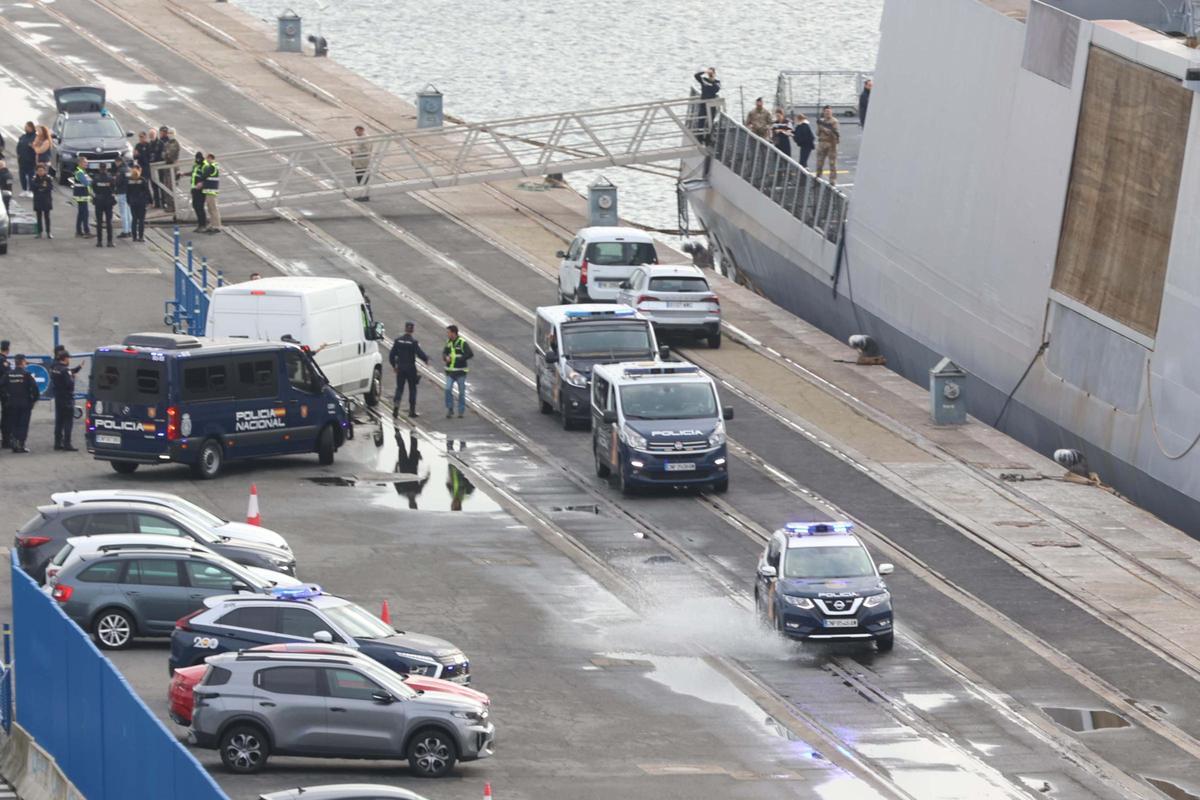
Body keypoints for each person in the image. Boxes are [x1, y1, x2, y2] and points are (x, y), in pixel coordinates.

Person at [389, 321, 429, 418]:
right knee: (412, 389)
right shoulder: (413, 342)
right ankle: (412, 411)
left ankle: (396, 408)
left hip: (400, 367)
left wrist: (394, 366)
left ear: (405, 328)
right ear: (412, 330)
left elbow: (391, 355)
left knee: (399, 388)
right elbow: (419, 353)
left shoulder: (398, 341)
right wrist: (426, 359)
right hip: (411, 368)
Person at [3, 355, 38, 454]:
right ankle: (20, 445)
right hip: (25, 403)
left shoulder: (8, 374)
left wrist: (6, 398)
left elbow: (1, 386)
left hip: (12, 403)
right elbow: (35, 390)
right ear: (22, 362)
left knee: (13, 424)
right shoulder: (27, 375)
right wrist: (33, 401)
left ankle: (14, 444)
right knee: (23, 424)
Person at [51, 350, 81, 451]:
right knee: (68, 422)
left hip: (58, 398)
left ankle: (57, 443)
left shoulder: (55, 368)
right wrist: (73, 378)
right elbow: (70, 384)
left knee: (59, 421)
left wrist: (78, 368)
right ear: (65, 358)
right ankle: (67, 443)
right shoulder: (65, 370)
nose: (69, 360)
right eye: (68, 358)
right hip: (67, 399)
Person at [442, 325, 473, 418]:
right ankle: (450, 408)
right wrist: (445, 357)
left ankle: (461, 411)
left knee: (461, 392)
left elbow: (470, 354)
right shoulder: (448, 342)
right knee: (447, 389)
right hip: (450, 372)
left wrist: (458, 360)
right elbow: (444, 352)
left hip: (460, 372)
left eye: (448, 332)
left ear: (453, 333)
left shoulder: (462, 342)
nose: (447, 334)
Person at [92, 163, 116, 247]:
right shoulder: (110, 178)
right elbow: (113, 188)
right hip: (108, 201)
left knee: (99, 222)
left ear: (99, 169)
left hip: (99, 201)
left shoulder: (96, 178)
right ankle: (109, 241)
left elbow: (94, 188)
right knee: (109, 222)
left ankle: (99, 242)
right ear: (106, 169)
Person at [815, 105, 841, 185]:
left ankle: (832, 180)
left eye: (829, 112)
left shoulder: (834, 121)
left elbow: (832, 133)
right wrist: (819, 127)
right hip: (822, 143)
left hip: (831, 144)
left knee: (832, 163)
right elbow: (817, 133)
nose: (828, 113)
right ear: (823, 112)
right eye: (826, 112)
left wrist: (823, 128)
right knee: (819, 162)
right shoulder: (821, 121)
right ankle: (818, 177)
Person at [126, 165, 151, 242]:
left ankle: (134, 237)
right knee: (141, 220)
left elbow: (127, 192)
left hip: (133, 202)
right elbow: (147, 191)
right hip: (141, 202)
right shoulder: (142, 180)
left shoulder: (129, 180)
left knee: (134, 219)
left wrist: (128, 201)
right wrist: (150, 201)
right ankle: (141, 237)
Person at [159, 126, 180, 212]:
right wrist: (166, 155)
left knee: (172, 188)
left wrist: (166, 155)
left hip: (173, 169)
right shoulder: (167, 144)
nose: (170, 135)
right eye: (169, 133)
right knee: (166, 188)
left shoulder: (176, 144)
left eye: (171, 133)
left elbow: (171, 156)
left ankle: (174, 206)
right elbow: (163, 154)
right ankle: (169, 205)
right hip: (167, 169)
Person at [31, 164, 53, 239]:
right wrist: (42, 186)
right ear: (36, 171)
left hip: (46, 200)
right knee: (38, 217)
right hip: (38, 200)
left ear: (45, 171)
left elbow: (49, 187)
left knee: (47, 217)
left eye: (42, 171)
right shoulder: (34, 178)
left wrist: (39, 187)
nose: (40, 172)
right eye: (39, 171)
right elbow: (32, 187)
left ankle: (48, 232)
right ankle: (39, 232)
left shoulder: (48, 178)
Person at [72, 156, 91, 237]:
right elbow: (86, 183)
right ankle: (86, 231)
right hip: (81, 195)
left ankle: (79, 231)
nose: (86, 164)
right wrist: (91, 182)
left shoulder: (82, 171)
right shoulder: (79, 172)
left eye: (87, 162)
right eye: (85, 162)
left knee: (81, 213)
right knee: (85, 213)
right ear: (80, 163)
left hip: (82, 194)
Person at [350, 125, 371, 201]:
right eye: (356, 132)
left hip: (362, 162)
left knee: (363, 178)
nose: (357, 134)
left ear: (362, 130)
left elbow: (366, 151)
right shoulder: (359, 138)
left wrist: (354, 151)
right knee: (359, 178)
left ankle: (364, 195)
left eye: (358, 132)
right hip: (358, 162)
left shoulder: (366, 139)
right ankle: (362, 194)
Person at [202, 153, 221, 233]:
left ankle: (216, 226)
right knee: (210, 208)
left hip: (211, 190)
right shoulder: (214, 166)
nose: (206, 160)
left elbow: (204, 175)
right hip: (210, 190)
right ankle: (213, 224)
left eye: (206, 158)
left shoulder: (212, 166)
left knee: (213, 208)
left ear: (210, 158)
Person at [113, 155, 131, 239]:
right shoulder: (128, 169)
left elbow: (118, 182)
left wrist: (114, 181)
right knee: (129, 212)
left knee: (123, 213)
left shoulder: (120, 171)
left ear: (118, 162)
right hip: (129, 193)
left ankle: (125, 231)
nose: (115, 164)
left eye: (116, 162)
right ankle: (130, 230)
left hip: (122, 192)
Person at [189, 151, 207, 232]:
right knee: (195, 206)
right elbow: (193, 173)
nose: (198, 160)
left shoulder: (204, 166)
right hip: (194, 189)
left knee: (200, 207)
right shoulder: (196, 166)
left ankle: (203, 225)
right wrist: (183, 174)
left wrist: (202, 183)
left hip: (201, 190)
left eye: (199, 159)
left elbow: (207, 177)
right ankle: (200, 224)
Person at [16, 122, 35, 195]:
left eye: (27, 127)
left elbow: (37, 148)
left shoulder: (35, 137)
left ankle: (30, 190)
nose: (25, 128)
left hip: (31, 160)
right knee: (22, 175)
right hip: (22, 160)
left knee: (31, 176)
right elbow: (18, 146)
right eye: (25, 127)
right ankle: (24, 189)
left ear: (31, 127)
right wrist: (18, 154)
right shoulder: (23, 136)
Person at [0, 341, 9, 448]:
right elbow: (8, 375)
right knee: (6, 415)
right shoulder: (4, 361)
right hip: (3, 391)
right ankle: (6, 440)